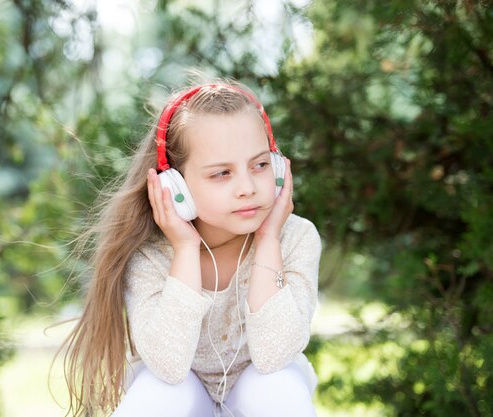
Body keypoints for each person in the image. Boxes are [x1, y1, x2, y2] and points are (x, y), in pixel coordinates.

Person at [60, 81, 322, 417]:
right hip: (183, 392)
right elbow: (168, 367)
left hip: (263, 386)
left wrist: (268, 240)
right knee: (163, 392)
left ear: (279, 169)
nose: (247, 188)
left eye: (259, 165)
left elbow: (273, 356)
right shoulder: (151, 256)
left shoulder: (295, 237)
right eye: (221, 173)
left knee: (274, 387)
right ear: (175, 186)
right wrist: (185, 249)